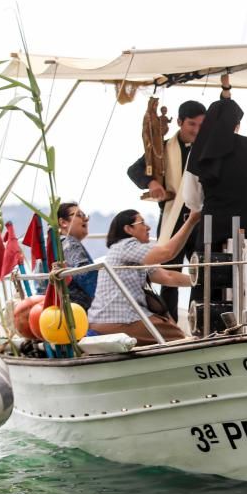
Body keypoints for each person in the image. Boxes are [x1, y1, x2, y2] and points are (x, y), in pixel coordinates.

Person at [127, 100, 206, 320]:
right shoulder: (162, 148)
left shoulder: (208, 147)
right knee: (169, 274)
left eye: (202, 125)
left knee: (201, 273)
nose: (197, 130)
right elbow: (133, 171)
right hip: (173, 218)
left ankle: (199, 321)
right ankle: (170, 323)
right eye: (192, 124)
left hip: (199, 220)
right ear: (180, 122)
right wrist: (151, 182)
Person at [183, 76, 247, 250]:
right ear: (236, 125)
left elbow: (192, 199)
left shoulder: (196, 151)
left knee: (212, 275)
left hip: (213, 228)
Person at [88, 208, 200, 345]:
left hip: (100, 320)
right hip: (120, 319)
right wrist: (191, 221)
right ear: (128, 229)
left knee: (168, 327)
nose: (148, 227)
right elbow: (167, 253)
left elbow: (167, 276)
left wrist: (200, 281)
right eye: (142, 223)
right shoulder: (127, 246)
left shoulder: (130, 253)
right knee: (175, 335)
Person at [56, 202, 97, 310]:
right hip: (78, 312)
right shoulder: (70, 244)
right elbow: (86, 276)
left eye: (85, 215)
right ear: (63, 222)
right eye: (79, 215)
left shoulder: (56, 244)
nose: (85, 219)